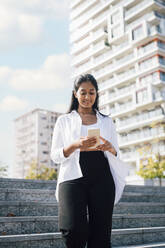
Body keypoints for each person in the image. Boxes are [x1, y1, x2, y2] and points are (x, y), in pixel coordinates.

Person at [50, 74, 129, 248]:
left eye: (91, 92)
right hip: (72, 176)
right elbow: (55, 155)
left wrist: (109, 147)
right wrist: (76, 145)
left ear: (97, 94)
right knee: (72, 230)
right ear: (75, 94)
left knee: (101, 234)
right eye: (83, 92)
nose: (87, 97)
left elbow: (117, 153)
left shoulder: (107, 121)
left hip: (102, 176)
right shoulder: (64, 121)